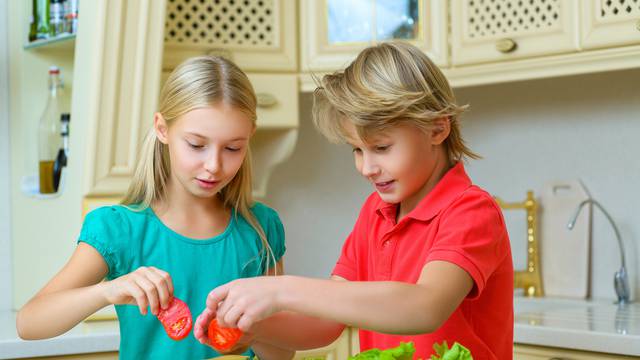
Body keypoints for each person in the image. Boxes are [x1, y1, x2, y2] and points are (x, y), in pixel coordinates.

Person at [193, 42, 514, 360]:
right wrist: (256, 328)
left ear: (437, 129)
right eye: (357, 150)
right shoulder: (375, 212)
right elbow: (326, 324)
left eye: (382, 148)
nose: (366, 167)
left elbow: (425, 307)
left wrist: (279, 290)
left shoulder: (470, 211)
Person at [16, 56, 293, 360]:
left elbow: (283, 354)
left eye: (232, 148)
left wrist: (253, 332)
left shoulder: (260, 228)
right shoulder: (118, 229)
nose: (214, 165)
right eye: (196, 145)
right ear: (162, 129)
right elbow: (29, 322)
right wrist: (108, 291)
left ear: (249, 137)